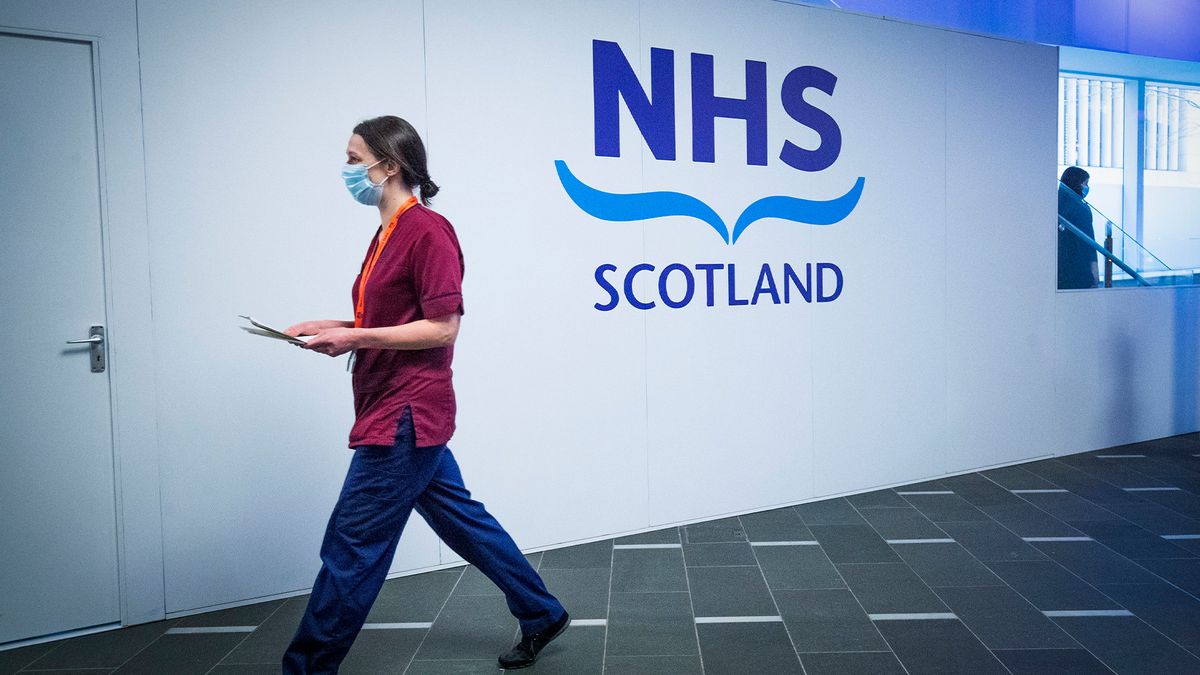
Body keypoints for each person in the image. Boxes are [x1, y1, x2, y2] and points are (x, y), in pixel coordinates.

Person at [281, 116, 569, 673]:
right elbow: (391, 318)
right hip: (396, 405)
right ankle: (541, 611)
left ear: (388, 166)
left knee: (351, 548)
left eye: (352, 158)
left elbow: (443, 326)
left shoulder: (429, 232)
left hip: (405, 413)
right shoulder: (385, 233)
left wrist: (355, 336)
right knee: (461, 518)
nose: (346, 170)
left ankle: (306, 670)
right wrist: (333, 325)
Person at [1057, 166, 1099, 290]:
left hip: (1057, 269)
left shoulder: (1053, 204)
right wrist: (1094, 270)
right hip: (1079, 269)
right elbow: (1089, 243)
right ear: (1078, 184)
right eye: (1085, 183)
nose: (1087, 187)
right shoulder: (1081, 208)